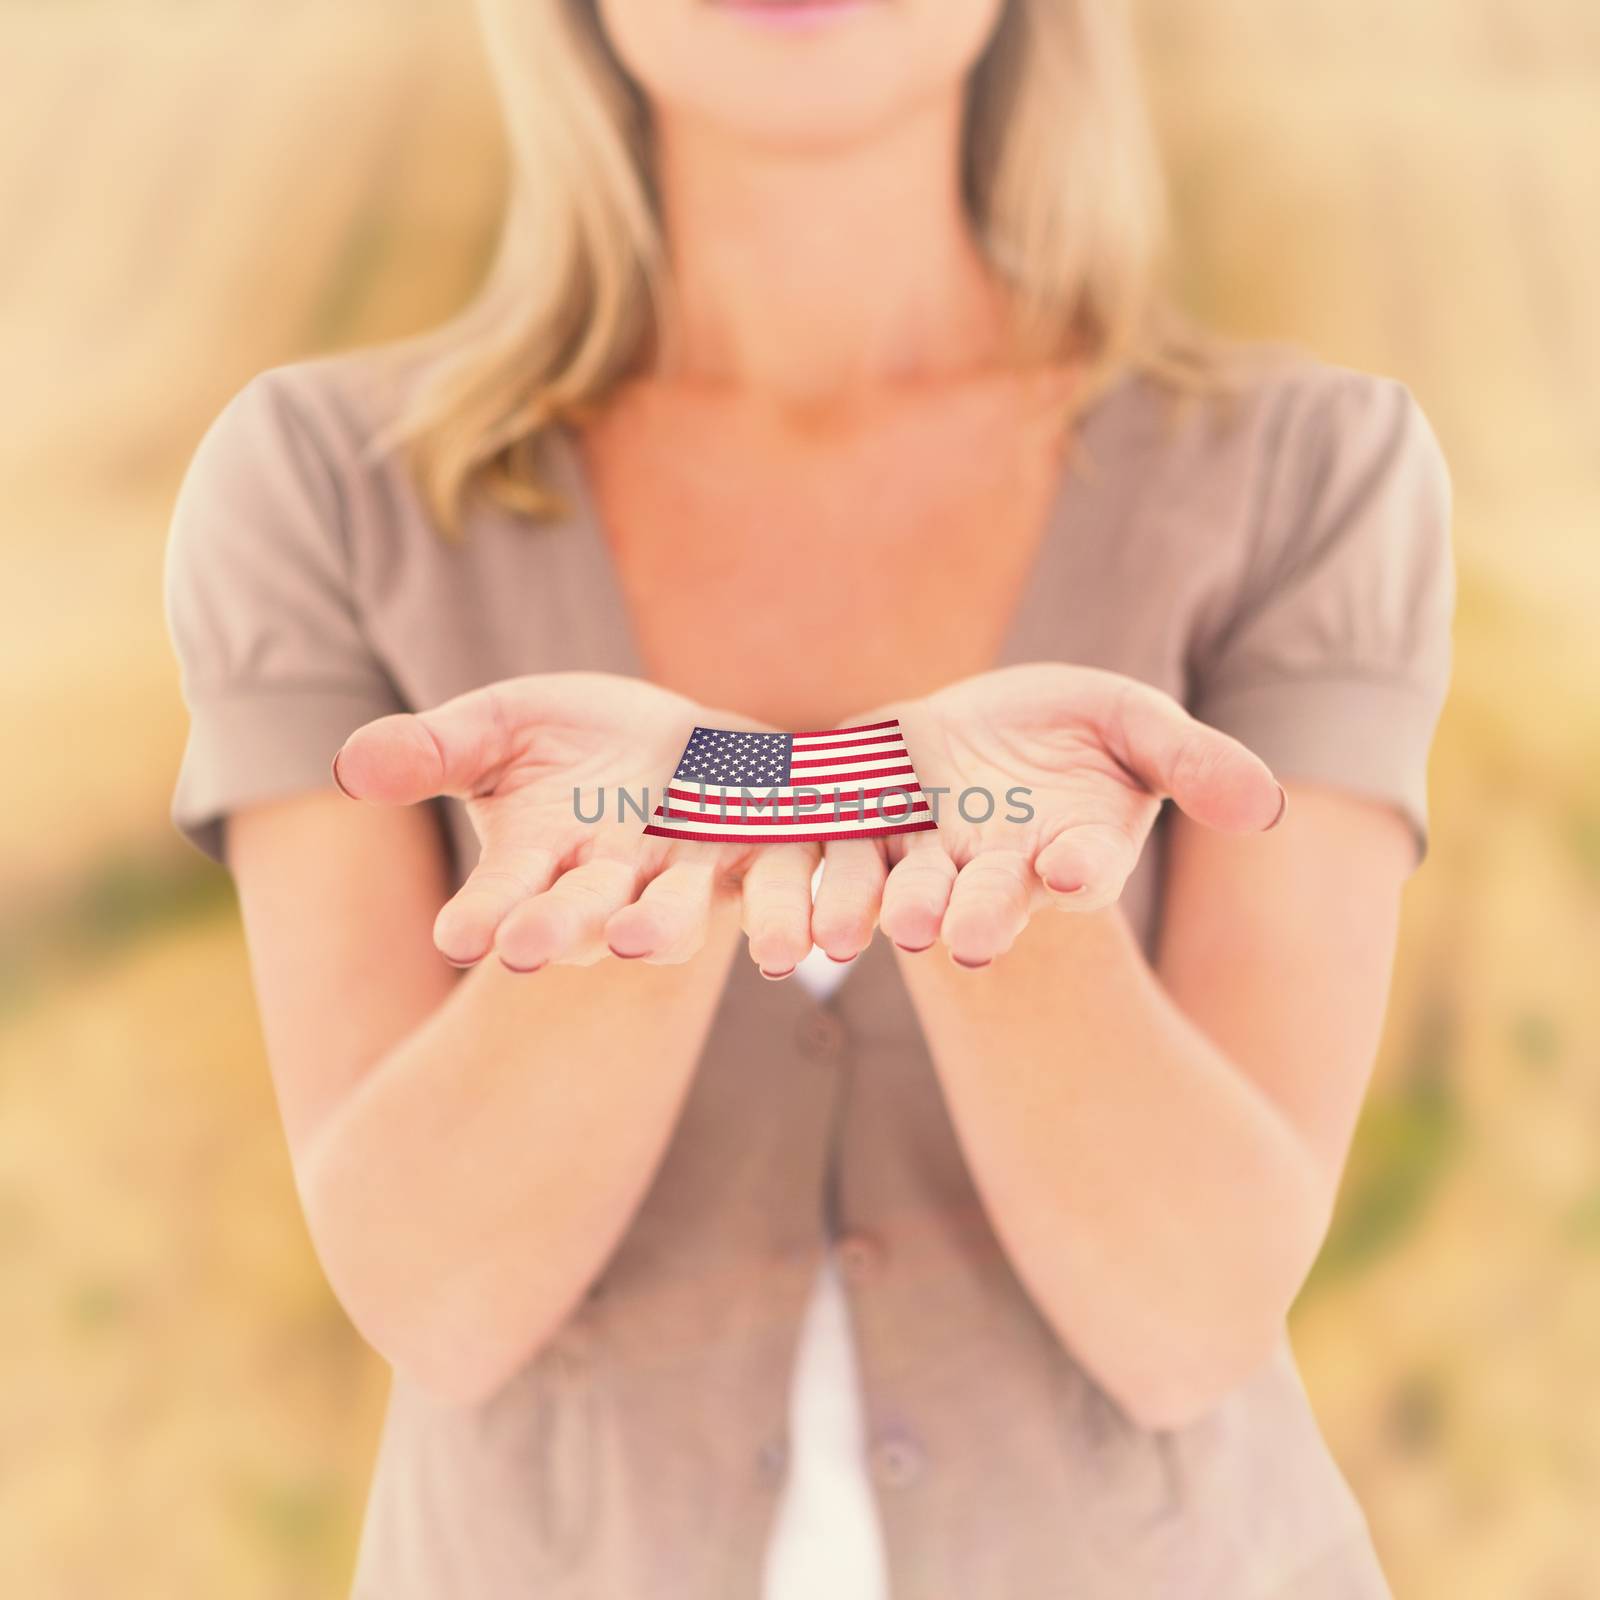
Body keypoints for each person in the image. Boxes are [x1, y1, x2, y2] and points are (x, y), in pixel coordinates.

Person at [163, 1, 1455, 1595]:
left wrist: (1005, 889)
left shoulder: (1313, 471)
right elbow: (437, 1295)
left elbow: (1191, 1316)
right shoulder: (320, 485)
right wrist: (687, 858)